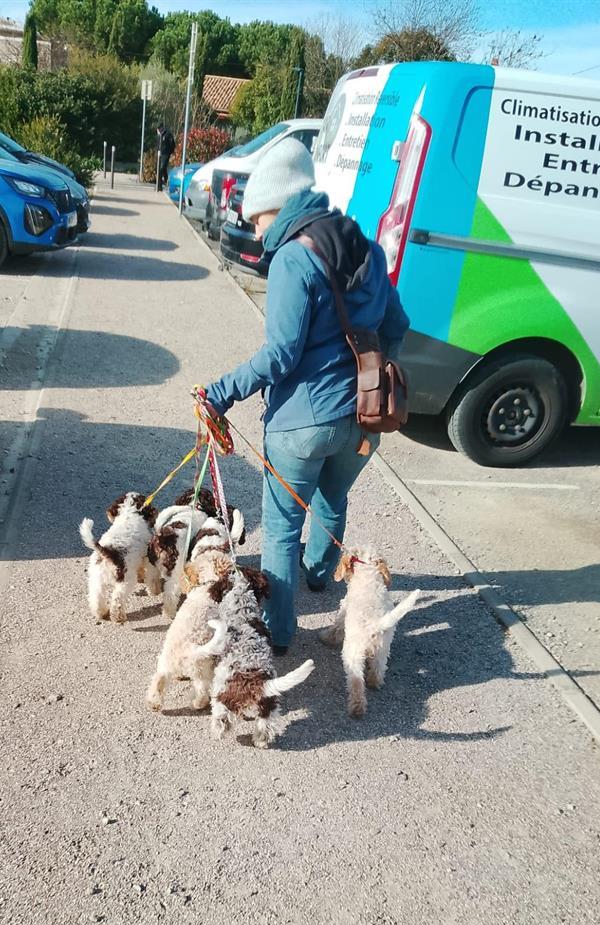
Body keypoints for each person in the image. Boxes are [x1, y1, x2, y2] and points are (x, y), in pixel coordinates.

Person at [205, 139, 409, 655]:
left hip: (302, 421)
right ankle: (320, 573)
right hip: (364, 416)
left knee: (279, 528)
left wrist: (220, 393)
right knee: (333, 497)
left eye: (256, 218)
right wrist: (359, 369)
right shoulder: (366, 245)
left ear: (277, 205)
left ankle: (277, 633)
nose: (255, 230)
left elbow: (280, 355)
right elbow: (397, 325)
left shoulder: (293, 259)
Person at [156, 124, 175, 192]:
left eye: (158, 129)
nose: (157, 131)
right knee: (161, 170)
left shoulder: (168, 134)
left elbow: (172, 144)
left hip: (166, 154)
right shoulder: (159, 135)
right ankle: (161, 185)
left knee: (161, 169)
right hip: (159, 154)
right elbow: (158, 144)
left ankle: (159, 186)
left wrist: (170, 153)